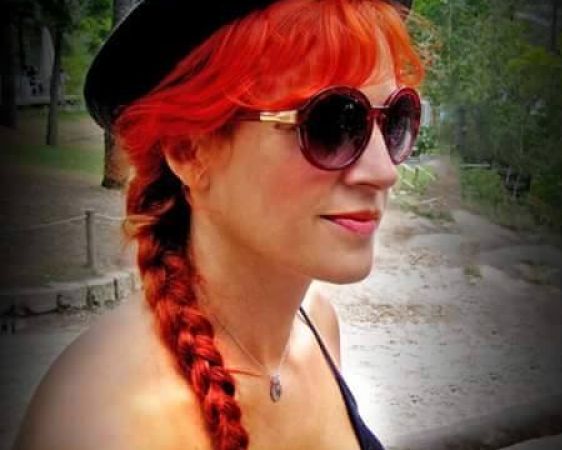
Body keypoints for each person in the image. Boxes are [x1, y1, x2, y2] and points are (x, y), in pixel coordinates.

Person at [14, 0, 424, 449]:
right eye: (332, 123)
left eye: (395, 120)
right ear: (189, 151)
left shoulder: (316, 326)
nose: (385, 171)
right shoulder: (98, 424)